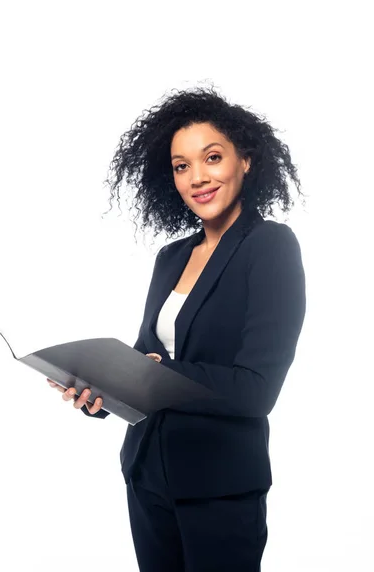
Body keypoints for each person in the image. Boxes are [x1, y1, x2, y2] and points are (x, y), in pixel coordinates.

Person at [47, 85, 306, 571]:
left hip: (220, 487)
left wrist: (158, 372)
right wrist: (98, 391)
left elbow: (257, 390)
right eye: (181, 165)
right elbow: (145, 363)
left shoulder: (269, 247)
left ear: (245, 160)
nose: (197, 178)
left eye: (212, 157)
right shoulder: (172, 258)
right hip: (147, 477)